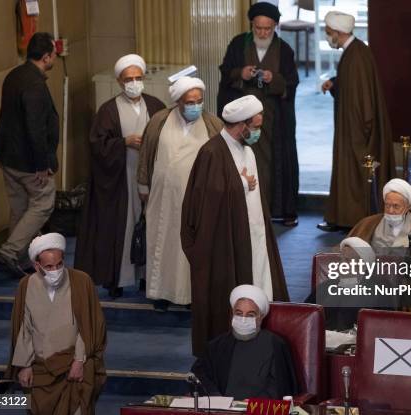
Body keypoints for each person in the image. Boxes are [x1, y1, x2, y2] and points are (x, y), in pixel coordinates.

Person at [182, 95, 289, 357]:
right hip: (225, 244)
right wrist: (239, 186)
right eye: (255, 126)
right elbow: (206, 204)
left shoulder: (247, 150)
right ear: (242, 126)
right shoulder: (212, 152)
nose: (257, 132)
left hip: (254, 235)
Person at [74, 54, 165, 299]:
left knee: (152, 227)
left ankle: (149, 278)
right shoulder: (108, 110)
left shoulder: (156, 105)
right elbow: (97, 145)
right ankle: (119, 279)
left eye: (138, 78)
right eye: (128, 79)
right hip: (120, 179)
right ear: (119, 81)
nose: (134, 83)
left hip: (151, 179)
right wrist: (123, 143)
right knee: (122, 229)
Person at [138, 76, 222, 311]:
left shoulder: (213, 124)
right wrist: (143, 185)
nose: (195, 105)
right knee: (161, 243)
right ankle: (161, 293)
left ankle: (190, 295)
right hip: (162, 197)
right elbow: (146, 154)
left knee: (192, 248)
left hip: (197, 201)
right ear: (178, 102)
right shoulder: (159, 121)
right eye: (189, 101)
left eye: (199, 100)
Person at [217, 2, 299, 226]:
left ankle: (274, 209)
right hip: (243, 119)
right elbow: (225, 74)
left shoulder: (284, 50)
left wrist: (275, 80)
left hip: (273, 118)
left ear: (275, 27)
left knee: (273, 162)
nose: (263, 33)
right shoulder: (237, 44)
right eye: (258, 28)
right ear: (252, 25)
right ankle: (242, 206)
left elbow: (292, 82)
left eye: (268, 29)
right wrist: (240, 73)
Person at [7, 233, 106, 415]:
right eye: (49, 266)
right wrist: (25, 365)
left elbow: (89, 326)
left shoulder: (81, 281)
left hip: (73, 366)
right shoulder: (26, 285)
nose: (56, 270)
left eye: (59, 264)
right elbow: (24, 328)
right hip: (40, 369)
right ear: (37, 266)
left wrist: (79, 360)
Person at [0, 32, 59, 276]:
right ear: (47, 56)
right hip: (28, 161)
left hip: (7, 155)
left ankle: (18, 258)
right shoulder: (35, 85)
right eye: (54, 53)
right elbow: (35, 127)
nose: (55, 58)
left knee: (19, 207)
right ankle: (9, 252)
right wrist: (42, 164)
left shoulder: (14, 74)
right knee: (43, 202)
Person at [318, 11, 395, 232]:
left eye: (329, 32)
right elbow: (353, 87)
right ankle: (343, 217)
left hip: (357, 130)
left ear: (339, 33)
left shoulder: (357, 55)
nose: (327, 36)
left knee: (355, 175)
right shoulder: (354, 51)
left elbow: (363, 99)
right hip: (352, 127)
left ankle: (352, 219)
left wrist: (362, 133)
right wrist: (335, 83)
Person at [191, 284, 298, 399]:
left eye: (250, 315)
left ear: (261, 317)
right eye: (239, 313)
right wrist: (215, 398)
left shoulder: (275, 345)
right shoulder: (217, 345)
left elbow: (280, 388)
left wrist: (251, 405)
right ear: (232, 314)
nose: (243, 319)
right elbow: (199, 376)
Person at [348, 178, 411, 248]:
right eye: (387, 205)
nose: (390, 210)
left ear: (407, 207)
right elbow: (345, 249)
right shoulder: (367, 223)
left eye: (396, 206)